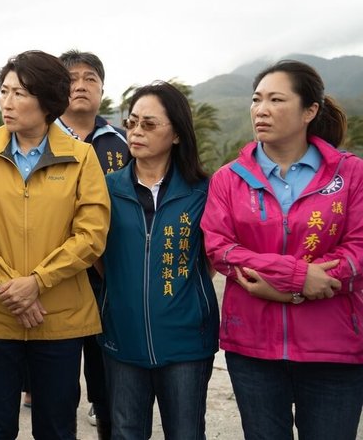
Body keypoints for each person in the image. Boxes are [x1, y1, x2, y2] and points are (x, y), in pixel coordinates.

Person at [201, 60, 363, 440]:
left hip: (334, 348)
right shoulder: (228, 179)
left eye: (276, 99)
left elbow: (359, 247)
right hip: (253, 349)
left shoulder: (351, 174)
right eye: (256, 99)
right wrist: (298, 278)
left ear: (310, 111)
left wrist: (307, 284)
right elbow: (220, 249)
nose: (261, 109)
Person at [0, 50, 110, 439]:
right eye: (4, 91)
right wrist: (14, 290)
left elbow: (91, 234)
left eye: (20, 93)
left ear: (47, 101)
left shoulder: (81, 157)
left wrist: (37, 282)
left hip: (59, 317)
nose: (7, 102)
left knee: (57, 427)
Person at [97, 81, 219, 439]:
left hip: (187, 343)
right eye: (132, 122)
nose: (135, 132)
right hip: (122, 337)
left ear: (177, 134)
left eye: (149, 125)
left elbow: (210, 258)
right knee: (126, 432)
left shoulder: (203, 190)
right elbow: (96, 257)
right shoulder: (105, 189)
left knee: (186, 432)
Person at [57, 48, 128, 437]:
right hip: (57, 279)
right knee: (59, 386)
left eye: (90, 79)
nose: (81, 86)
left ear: (102, 89)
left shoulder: (122, 141)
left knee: (108, 384)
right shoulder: (40, 140)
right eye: (71, 79)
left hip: (110, 280)